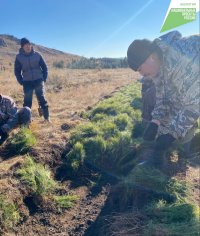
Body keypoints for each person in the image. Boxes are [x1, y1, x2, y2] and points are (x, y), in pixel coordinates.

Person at [127, 31, 200, 166]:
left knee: (183, 121)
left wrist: (171, 135)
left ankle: (186, 155)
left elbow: (194, 105)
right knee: (173, 118)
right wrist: (155, 122)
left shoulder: (180, 60)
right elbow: (163, 98)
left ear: (150, 57)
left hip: (195, 96)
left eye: (140, 69)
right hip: (190, 96)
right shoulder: (158, 69)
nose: (142, 74)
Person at [14, 37, 50, 122]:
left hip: (38, 80)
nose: (28, 46)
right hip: (27, 82)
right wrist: (21, 81)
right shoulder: (19, 57)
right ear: (22, 47)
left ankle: (47, 118)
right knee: (27, 101)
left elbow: (44, 67)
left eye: (29, 44)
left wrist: (44, 78)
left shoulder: (37, 55)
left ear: (31, 45)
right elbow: (17, 71)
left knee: (42, 99)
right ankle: (26, 121)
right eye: (25, 45)